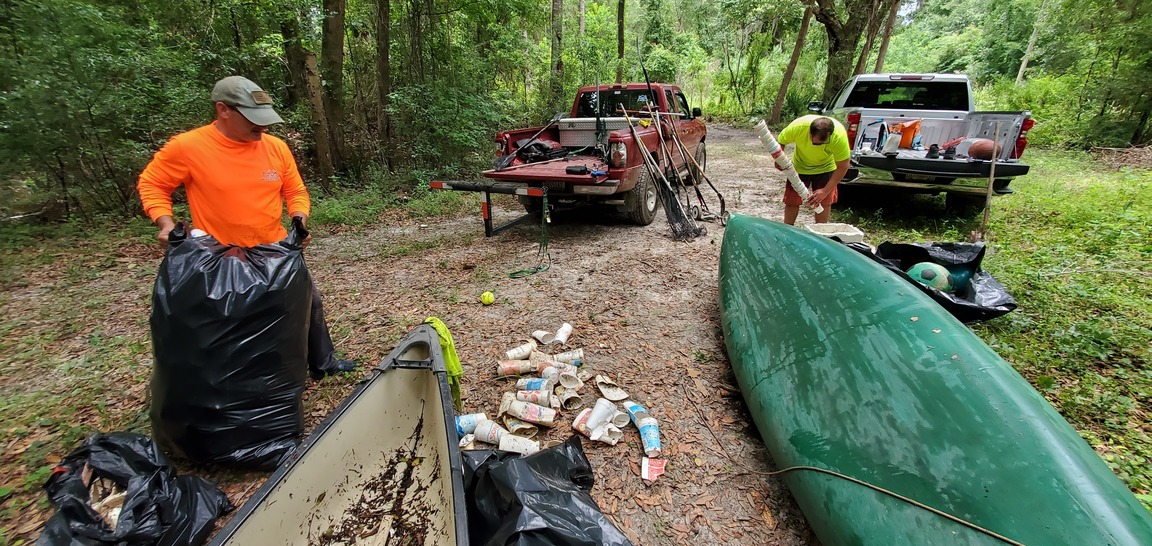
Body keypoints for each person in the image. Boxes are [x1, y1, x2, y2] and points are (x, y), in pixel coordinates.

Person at [137, 75, 356, 380]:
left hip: (275, 248)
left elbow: (295, 191)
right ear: (223, 110)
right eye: (253, 119)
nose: (262, 127)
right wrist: (165, 222)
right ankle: (240, 378)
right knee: (233, 319)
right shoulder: (188, 147)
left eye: (265, 120)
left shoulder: (276, 148)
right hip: (222, 255)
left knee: (307, 302)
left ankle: (324, 362)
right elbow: (153, 184)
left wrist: (298, 222)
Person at [775, 115, 851, 225]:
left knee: (824, 201)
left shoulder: (839, 137)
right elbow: (781, 140)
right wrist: (778, 159)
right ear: (809, 133)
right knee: (792, 201)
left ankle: (820, 232)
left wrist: (825, 191)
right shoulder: (798, 127)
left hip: (826, 167)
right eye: (815, 142)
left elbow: (843, 166)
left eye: (822, 143)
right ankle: (787, 230)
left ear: (830, 135)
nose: (817, 146)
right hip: (800, 166)